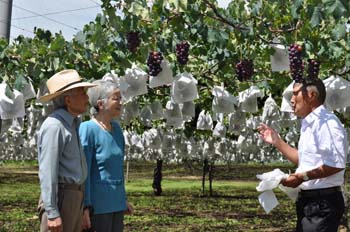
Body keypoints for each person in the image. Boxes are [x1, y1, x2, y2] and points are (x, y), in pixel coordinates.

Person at [258, 78, 348, 232]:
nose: (291, 100)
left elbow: (336, 164)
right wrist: (277, 141)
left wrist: (301, 177)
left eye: (295, 94)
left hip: (322, 203)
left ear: (311, 95)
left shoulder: (327, 123)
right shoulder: (309, 124)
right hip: (310, 202)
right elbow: (305, 160)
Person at [37, 69, 97, 232]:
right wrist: (52, 212)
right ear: (68, 100)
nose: (87, 97)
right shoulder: (55, 126)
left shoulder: (73, 124)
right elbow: (47, 171)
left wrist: (83, 205)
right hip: (63, 197)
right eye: (82, 92)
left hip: (75, 197)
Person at [79, 80, 133, 232]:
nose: (120, 103)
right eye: (115, 98)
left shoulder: (116, 129)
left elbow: (117, 170)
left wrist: (123, 200)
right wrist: (85, 206)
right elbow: (85, 172)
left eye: (120, 98)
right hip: (98, 206)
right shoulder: (87, 129)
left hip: (116, 204)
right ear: (101, 104)